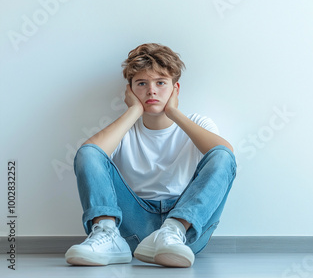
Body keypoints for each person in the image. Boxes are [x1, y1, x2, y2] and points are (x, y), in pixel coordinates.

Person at [64, 43, 236, 268]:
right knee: (89, 152)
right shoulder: (123, 130)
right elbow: (88, 155)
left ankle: (171, 231)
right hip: (133, 230)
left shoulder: (199, 123)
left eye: (161, 83)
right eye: (142, 83)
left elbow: (226, 157)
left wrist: (173, 112)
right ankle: (107, 235)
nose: (151, 91)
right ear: (130, 90)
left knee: (222, 155)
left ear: (176, 89)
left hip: (184, 232)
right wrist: (134, 111)